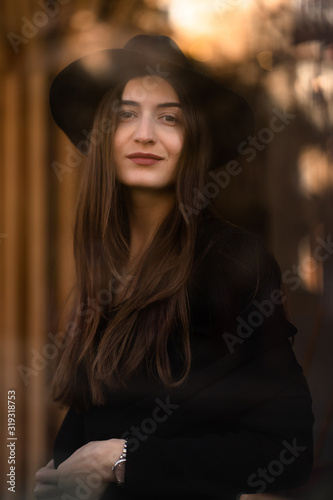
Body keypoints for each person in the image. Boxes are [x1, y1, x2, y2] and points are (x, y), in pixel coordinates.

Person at [34, 35, 314, 500]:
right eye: (125, 114)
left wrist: (118, 459)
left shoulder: (228, 261)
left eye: (168, 117)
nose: (144, 133)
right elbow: (97, 415)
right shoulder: (109, 263)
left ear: (194, 139)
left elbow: (288, 450)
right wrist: (59, 474)